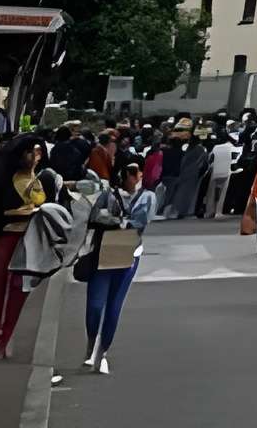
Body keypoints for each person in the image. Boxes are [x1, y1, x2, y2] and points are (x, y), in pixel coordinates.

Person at [0, 137, 52, 358]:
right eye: (30, 152)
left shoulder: (41, 179)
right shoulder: (4, 181)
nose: (34, 157)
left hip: (28, 240)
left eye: (37, 152)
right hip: (4, 238)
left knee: (20, 290)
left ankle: (5, 338)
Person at [76, 157, 152, 374]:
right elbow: (93, 217)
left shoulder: (147, 196)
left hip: (129, 253)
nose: (137, 177)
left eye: (139, 172)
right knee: (95, 305)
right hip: (104, 251)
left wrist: (117, 220)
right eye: (133, 172)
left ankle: (102, 353)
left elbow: (141, 222)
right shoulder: (107, 194)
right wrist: (116, 220)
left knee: (114, 306)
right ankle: (91, 345)